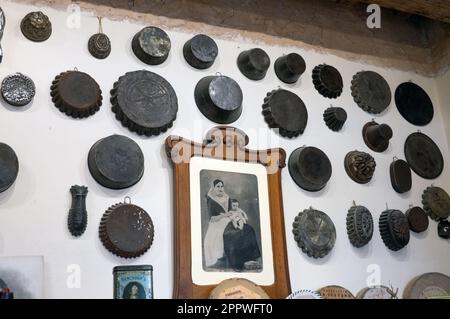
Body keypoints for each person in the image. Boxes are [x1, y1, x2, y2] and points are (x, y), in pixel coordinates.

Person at [203, 179, 232, 268]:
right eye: (218, 186)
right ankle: (218, 259)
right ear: (214, 188)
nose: (220, 188)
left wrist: (231, 216)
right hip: (216, 223)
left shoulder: (227, 198)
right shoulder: (211, 200)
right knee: (213, 238)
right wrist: (225, 215)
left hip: (228, 220)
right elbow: (213, 218)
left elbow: (231, 212)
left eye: (221, 186)